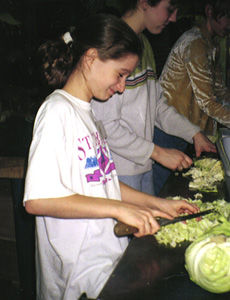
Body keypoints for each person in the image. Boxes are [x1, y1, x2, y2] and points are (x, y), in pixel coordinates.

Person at [23, 14, 198, 300]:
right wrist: (118, 210)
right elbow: (37, 199)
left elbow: (105, 184)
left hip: (105, 265)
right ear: (91, 58)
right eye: (120, 74)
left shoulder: (89, 114)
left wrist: (161, 205)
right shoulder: (57, 111)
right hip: (76, 279)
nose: (121, 87)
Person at [91, 0, 216, 197]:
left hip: (142, 163)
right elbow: (106, 125)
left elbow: (157, 105)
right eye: (170, 8)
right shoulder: (111, 46)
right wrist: (158, 153)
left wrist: (194, 133)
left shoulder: (143, 44)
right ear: (144, 3)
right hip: (119, 170)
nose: (174, 18)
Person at [154, 0, 230, 195]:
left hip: (189, 130)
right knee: (166, 192)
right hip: (169, 129)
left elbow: (220, 92)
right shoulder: (195, 42)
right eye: (226, 17)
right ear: (210, 11)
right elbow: (208, 102)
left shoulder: (211, 44)